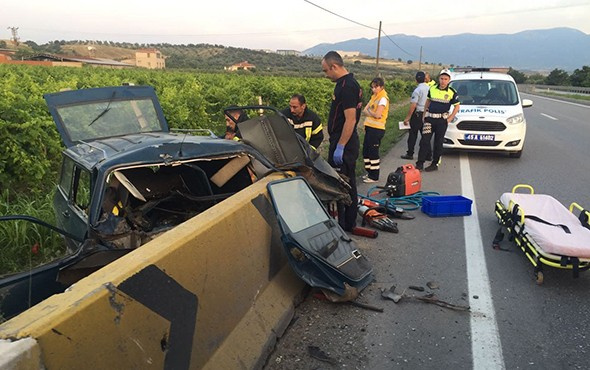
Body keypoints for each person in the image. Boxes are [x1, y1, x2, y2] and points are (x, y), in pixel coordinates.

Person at [321, 51, 362, 232]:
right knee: (346, 182)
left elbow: (350, 119)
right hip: (343, 139)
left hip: (344, 141)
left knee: (343, 184)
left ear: (334, 66)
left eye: (326, 71)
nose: (326, 74)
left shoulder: (346, 86)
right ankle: (347, 221)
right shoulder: (348, 84)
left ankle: (345, 224)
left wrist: (340, 146)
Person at [416, 69, 460, 172]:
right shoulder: (432, 89)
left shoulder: (452, 92)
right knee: (424, 141)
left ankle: (434, 163)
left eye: (445, 79)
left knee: (438, 143)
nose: (443, 81)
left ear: (449, 80)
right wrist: (424, 114)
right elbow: (428, 101)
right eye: (441, 78)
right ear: (438, 79)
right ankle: (420, 163)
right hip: (430, 119)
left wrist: (449, 119)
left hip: (441, 121)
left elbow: (457, 107)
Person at [361, 77, 389, 183]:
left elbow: (378, 115)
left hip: (377, 129)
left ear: (381, 87)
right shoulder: (374, 97)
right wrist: (371, 113)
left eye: (375, 87)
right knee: (366, 151)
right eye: (372, 87)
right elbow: (364, 110)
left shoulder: (383, 99)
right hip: (369, 128)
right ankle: (369, 172)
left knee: (373, 153)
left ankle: (374, 176)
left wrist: (370, 113)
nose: (373, 89)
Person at [401, 71, 431, 161]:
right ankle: (429, 155)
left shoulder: (417, 90)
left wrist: (407, 118)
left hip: (417, 114)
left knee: (413, 135)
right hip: (426, 114)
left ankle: (410, 153)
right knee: (425, 135)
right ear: (425, 79)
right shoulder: (430, 88)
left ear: (416, 80)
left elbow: (413, 105)